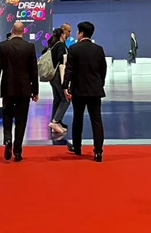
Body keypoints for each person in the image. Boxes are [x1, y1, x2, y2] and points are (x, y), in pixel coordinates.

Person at [0, 21, 39, 162]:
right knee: (21, 120)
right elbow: (34, 71)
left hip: (7, 88)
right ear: (24, 31)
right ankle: (17, 151)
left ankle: (7, 139)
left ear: (12, 31)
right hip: (24, 89)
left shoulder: (3, 46)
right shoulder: (29, 47)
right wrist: (35, 91)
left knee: (7, 115)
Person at [63, 21, 107, 162]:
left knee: (78, 118)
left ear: (81, 33)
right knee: (96, 120)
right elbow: (103, 69)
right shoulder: (98, 49)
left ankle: (77, 147)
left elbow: (69, 70)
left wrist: (65, 86)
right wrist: (100, 84)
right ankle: (98, 151)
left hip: (79, 90)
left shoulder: (74, 49)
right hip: (95, 90)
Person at [44, 27, 69, 134]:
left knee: (57, 99)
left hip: (53, 76)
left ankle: (55, 122)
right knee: (65, 99)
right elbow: (62, 60)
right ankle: (55, 121)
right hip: (59, 75)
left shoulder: (52, 45)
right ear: (62, 34)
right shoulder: (60, 46)